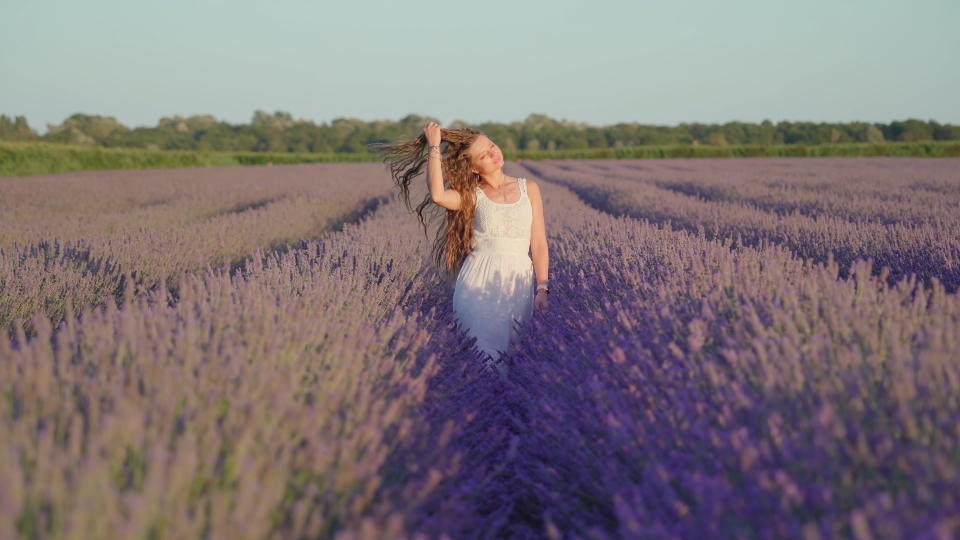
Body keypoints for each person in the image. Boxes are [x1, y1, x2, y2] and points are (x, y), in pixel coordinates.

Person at [376, 122, 549, 375]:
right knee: (482, 361)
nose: (493, 153)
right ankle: (480, 412)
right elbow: (438, 195)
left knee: (514, 357)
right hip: (479, 286)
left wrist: (543, 287)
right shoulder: (472, 195)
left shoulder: (529, 188)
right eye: (483, 155)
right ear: (472, 168)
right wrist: (434, 147)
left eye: (490, 145)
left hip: (518, 285)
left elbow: (539, 243)